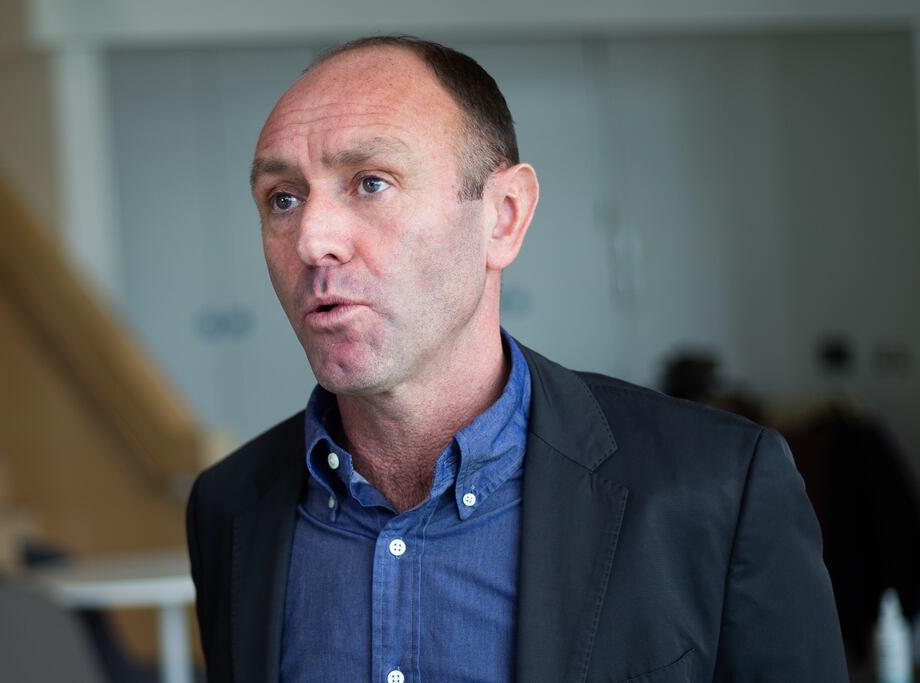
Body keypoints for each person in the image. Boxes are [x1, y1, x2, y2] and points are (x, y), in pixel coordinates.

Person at [185, 36, 848, 682]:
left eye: (371, 182)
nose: (311, 240)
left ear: (503, 216)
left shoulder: (718, 486)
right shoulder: (228, 509)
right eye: (283, 198)